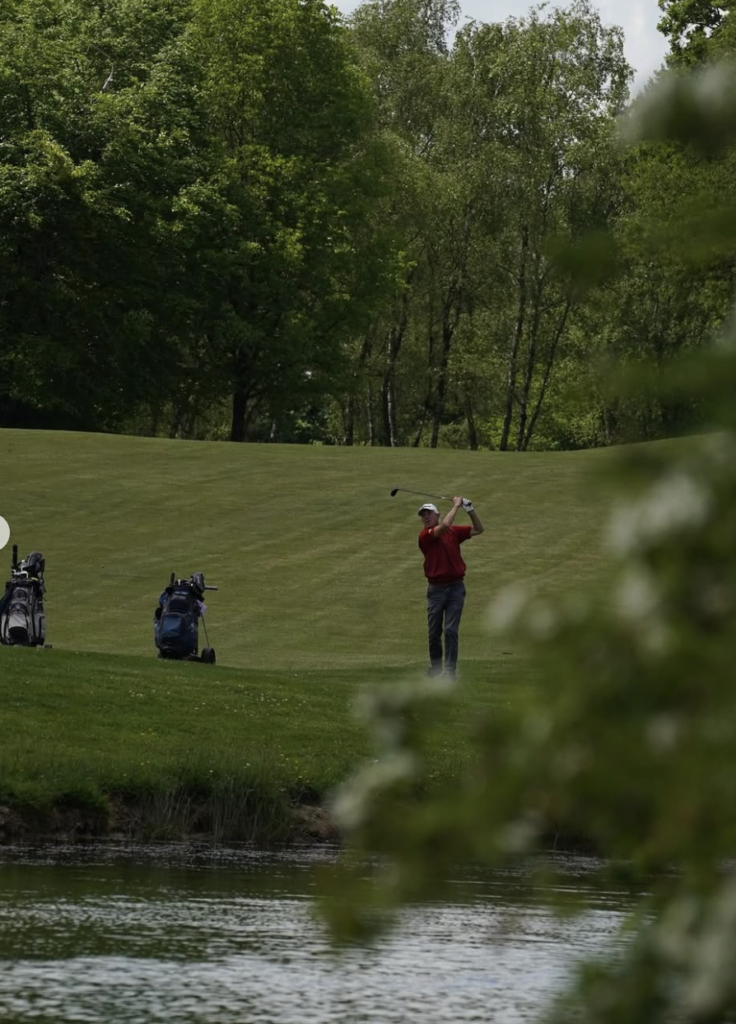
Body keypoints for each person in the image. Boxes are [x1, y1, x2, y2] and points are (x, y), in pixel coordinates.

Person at [417, 496, 484, 680]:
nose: (426, 517)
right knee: (434, 633)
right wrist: (456, 505)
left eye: (429, 513)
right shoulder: (426, 536)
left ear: (437, 514)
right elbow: (444, 526)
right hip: (436, 591)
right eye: (423, 515)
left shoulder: (453, 532)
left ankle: (449, 672)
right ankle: (436, 668)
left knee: (451, 630)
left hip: (456, 588)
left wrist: (470, 509)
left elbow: (479, 529)